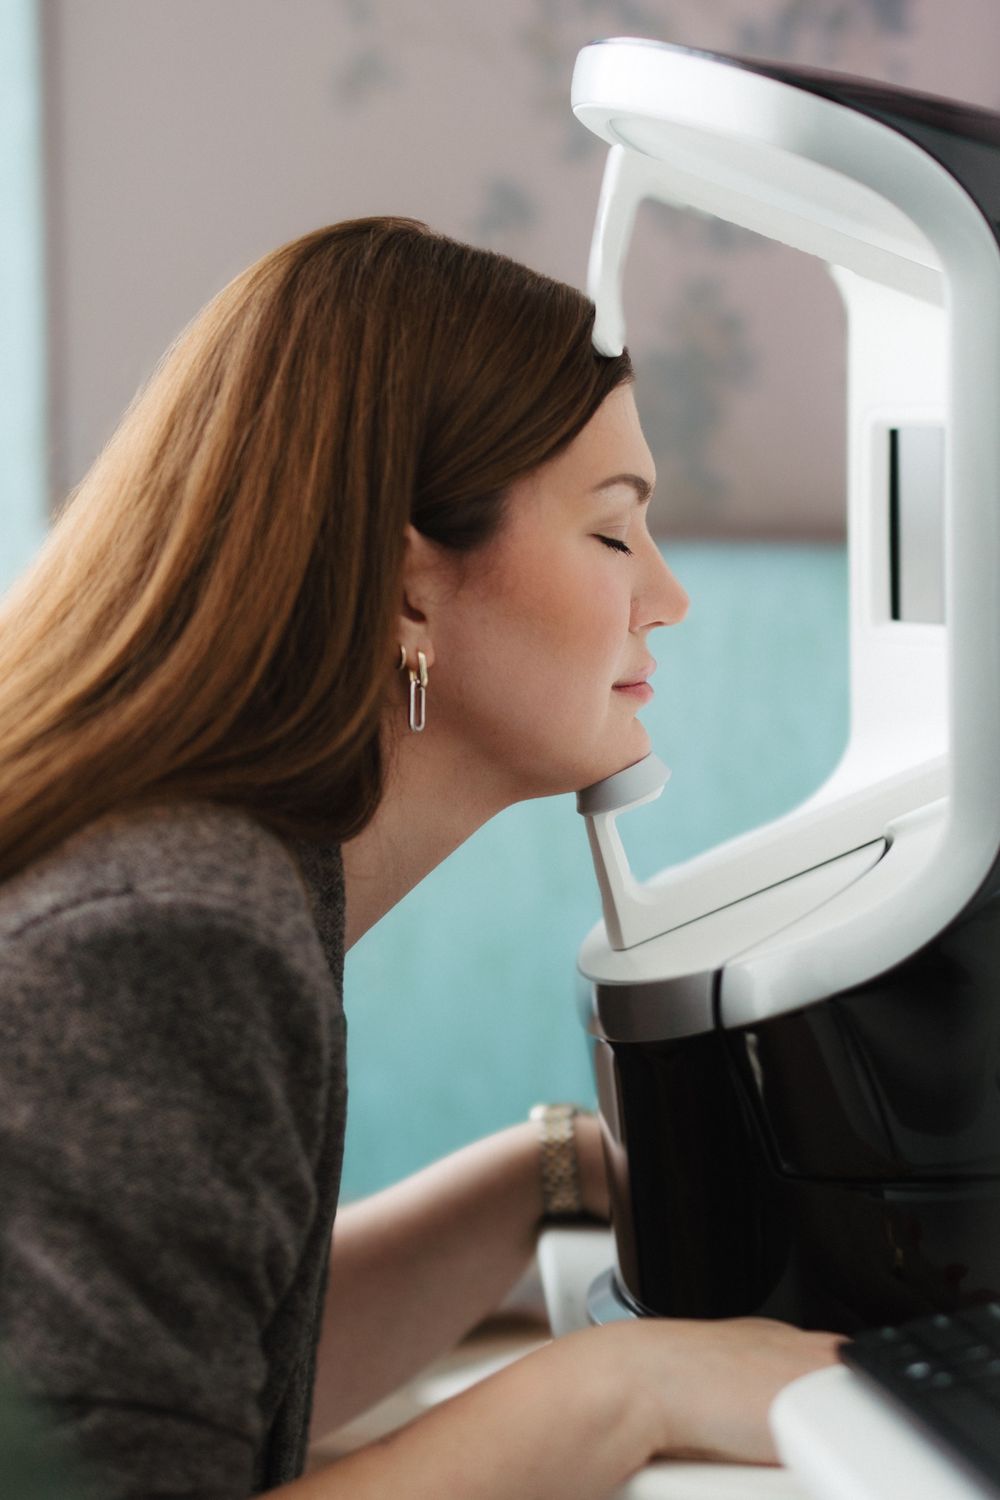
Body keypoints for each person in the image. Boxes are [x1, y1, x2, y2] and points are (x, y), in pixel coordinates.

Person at [0, 217, 839, 1500]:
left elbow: (212, 1388)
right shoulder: (169, 935)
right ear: (406, 590)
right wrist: (630, 1387)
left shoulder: (216, 880)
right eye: (614, 532)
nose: (666, 596)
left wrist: (547, 1176)